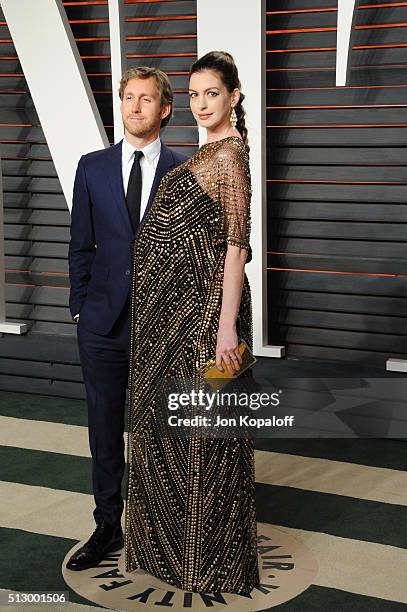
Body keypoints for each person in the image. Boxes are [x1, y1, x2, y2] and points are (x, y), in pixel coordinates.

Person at [125, 51, 259, 594]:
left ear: (234, 98)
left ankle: (204, 561)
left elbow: (234, 247)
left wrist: (226, 329)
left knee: (204, 440)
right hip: (169, 317)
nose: (203, 104)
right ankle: (169, 553)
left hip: (204, 319)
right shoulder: (208, 152)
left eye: (213, 94)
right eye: (196, 94)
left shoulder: (230, 158)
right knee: (172, 435)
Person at [66, 67, 187, 571]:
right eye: (128, 98)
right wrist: (80, 306)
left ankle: (163, 528)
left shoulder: (185, 171)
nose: (135, 107)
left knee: (162, 430)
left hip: (161, 325)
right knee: (104, 427)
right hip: (102, 324)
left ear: (164, 109)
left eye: (146, 99)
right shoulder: (91, 166)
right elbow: (81, 244)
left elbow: (189, 255)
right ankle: (107, 524)